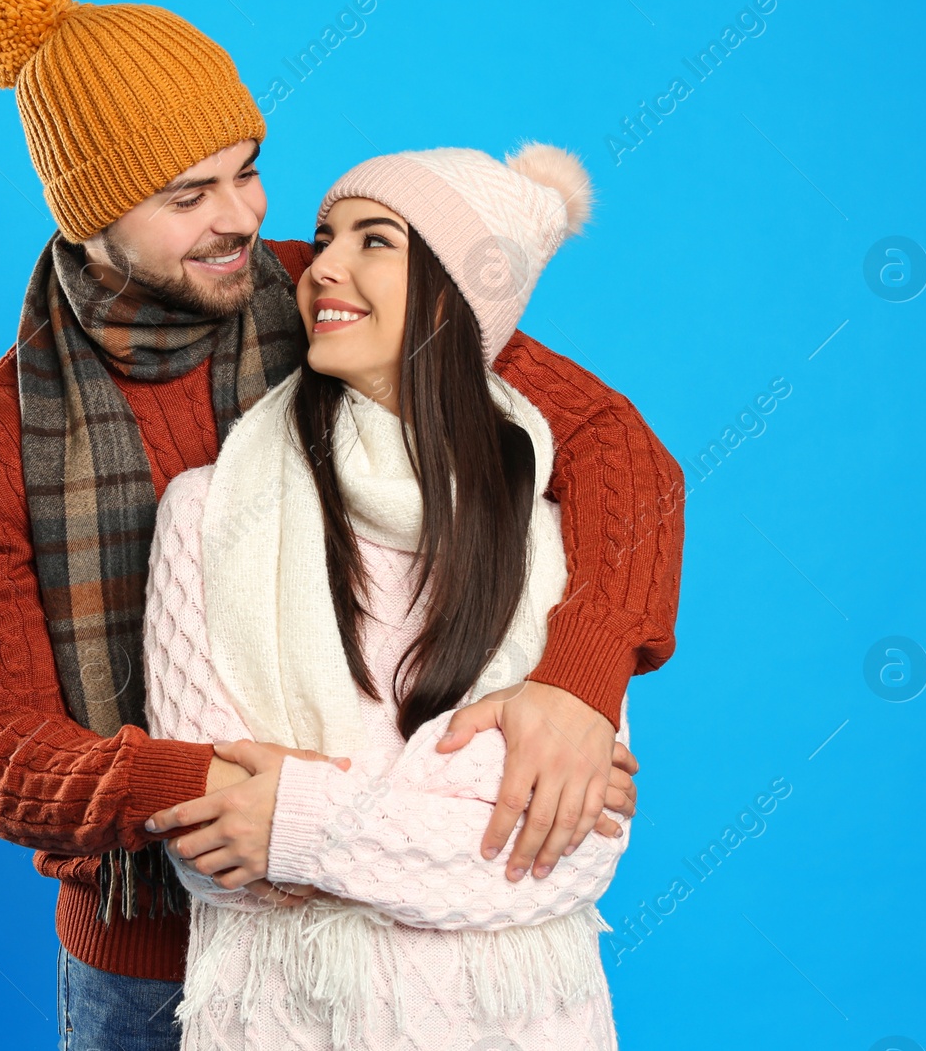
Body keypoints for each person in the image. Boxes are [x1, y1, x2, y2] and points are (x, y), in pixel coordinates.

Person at [0, 0, 684, 1050]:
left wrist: (578, 680)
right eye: (188, 197)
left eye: (248, 171)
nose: (243, 219)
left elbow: (614, 446)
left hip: (413, 943)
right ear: (94, 217)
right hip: (147, 964)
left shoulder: (330, 299)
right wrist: (205, 793)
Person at [140, 144, 635, 1048]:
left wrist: (293, 820)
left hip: (519, 1025)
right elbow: (209, 841)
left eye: (376, 242)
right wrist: (453, 822)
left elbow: (577, 851)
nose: (322, 264)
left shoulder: (549, 524)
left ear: (459, 296)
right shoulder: (207, 513)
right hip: (288, 1021)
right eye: (327, 237)